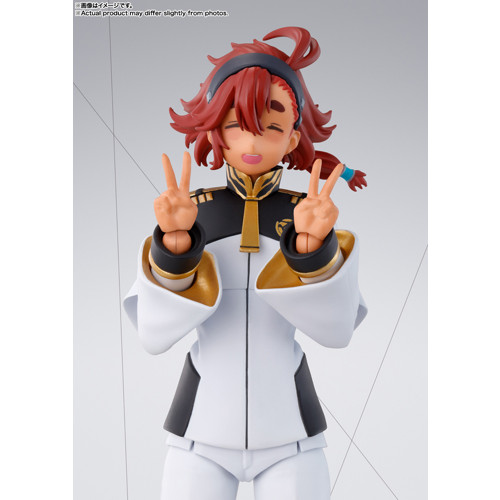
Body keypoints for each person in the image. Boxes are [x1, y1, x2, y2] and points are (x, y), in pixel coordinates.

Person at [124, 26, 367, 500]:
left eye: (272, 126)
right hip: (199, 433)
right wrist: (175, 247)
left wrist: (311, 250)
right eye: (237, 125)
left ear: (293, 137)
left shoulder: (308, 214)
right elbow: (153, 334)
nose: (253, 140)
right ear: (215, 131)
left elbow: (337, 331)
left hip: (292, 434)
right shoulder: (192, 212)